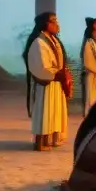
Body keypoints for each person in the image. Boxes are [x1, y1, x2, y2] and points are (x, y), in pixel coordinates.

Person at [24, 12, 72, 151]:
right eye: (53, 21)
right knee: (44, 111)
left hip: (56, 83)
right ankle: (39, 143)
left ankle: (50, 139)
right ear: (45, 24)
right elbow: (41, 66)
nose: (57, 24)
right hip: (46, 84)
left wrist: (62, 74)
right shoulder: (39, 42)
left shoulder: (54, 41)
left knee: (53, 112)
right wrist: (56, 74)